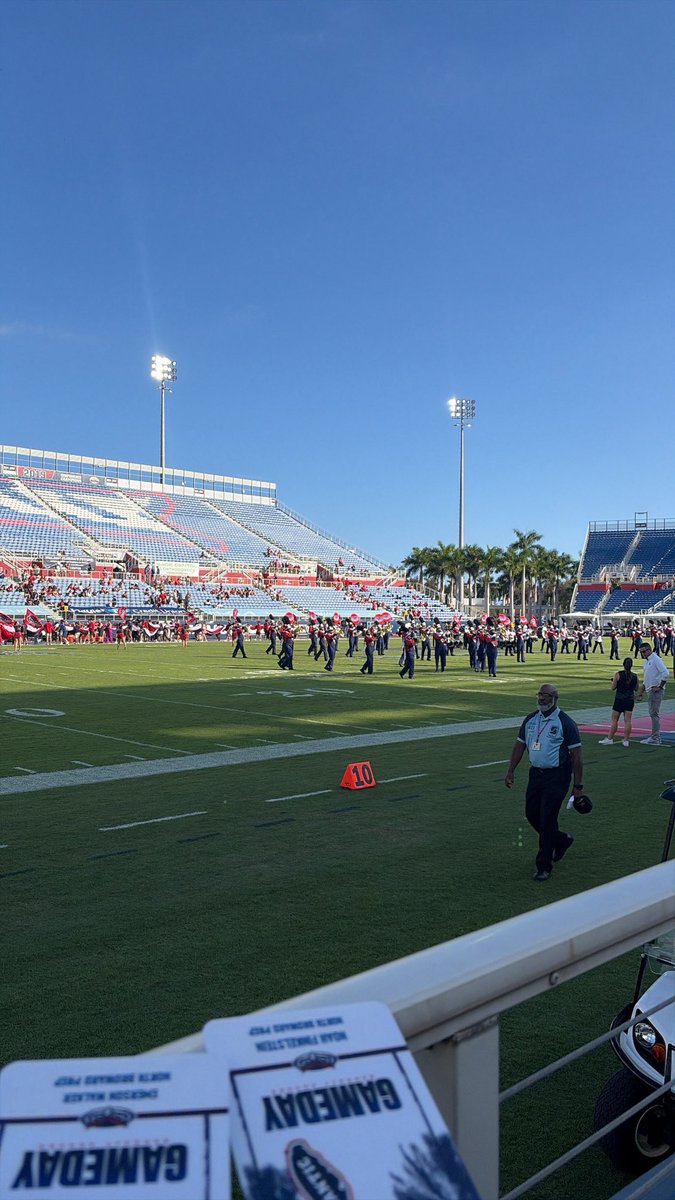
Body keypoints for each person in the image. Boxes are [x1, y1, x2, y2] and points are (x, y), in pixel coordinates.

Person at [504, 683, 584, 882]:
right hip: (536, 774)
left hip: (558, 776)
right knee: (532, 813)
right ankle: (561, 839)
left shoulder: (565, 722)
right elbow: (519, 745)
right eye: (539, 694)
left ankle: (544, 866)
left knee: (547, 818)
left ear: (555, 698)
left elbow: (577, 757)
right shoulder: (531, 719)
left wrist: (578, 786)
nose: (541, 698)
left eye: (546, 695)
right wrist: (511, 770)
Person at [598, 657, 638, 746]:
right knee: (628, 721)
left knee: (614, 720)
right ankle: (626, 740)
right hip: (630, 700)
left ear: (623, 665)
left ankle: (610, 738)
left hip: (619, 699)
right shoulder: (635, 676)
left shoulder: (618, 674)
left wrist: (613, 681)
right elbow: (636, 688)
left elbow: (613, 687)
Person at [637, 644, 670, 745]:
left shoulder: (655, 659)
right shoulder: (647, 661)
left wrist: (660, 686)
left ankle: (655, 737)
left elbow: (666, 673)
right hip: (650, 690)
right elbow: (647, 679)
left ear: (649, 650)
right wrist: (641, 692)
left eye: (644, 651)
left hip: (655, 691)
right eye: (641, 652)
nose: (642, 654)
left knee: (654, 714)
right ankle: (655, 736)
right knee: (653, 713)